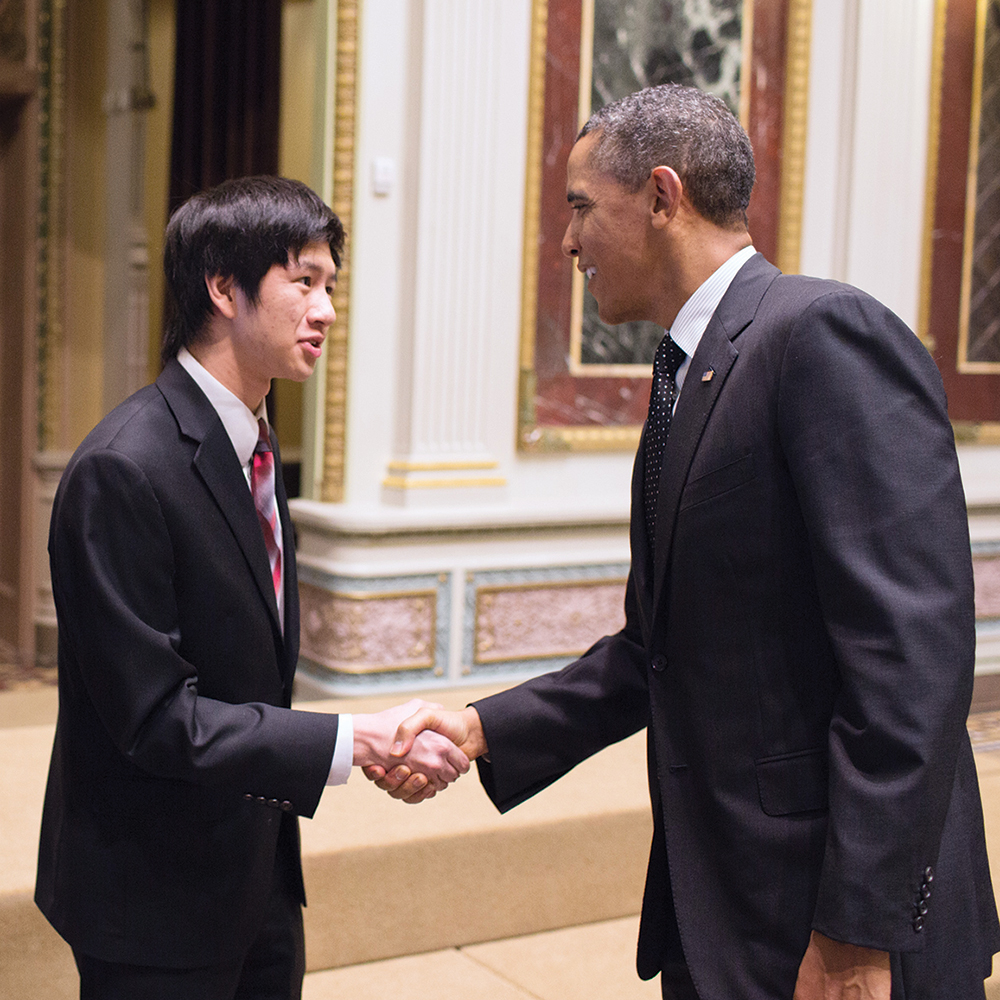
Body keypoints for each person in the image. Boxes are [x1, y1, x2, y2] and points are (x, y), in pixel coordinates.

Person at [368, 85, 1000, 999]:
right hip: (726, 907)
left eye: (581, 206)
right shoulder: (688, 373)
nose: (569, 241)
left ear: (663, 197)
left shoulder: (821, 334)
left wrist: (856, 931)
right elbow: (654, 654)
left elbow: (912, 658)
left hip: (833, 921)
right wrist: (478, 730)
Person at [35, 175, 469, 1000]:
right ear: (223, 287)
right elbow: (157, 717)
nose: (327, 310)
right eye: (302, 280)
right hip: (151, 895)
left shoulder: (258, 448)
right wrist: (352, 741)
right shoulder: (123, 469)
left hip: (258, 876)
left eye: (330, 285)